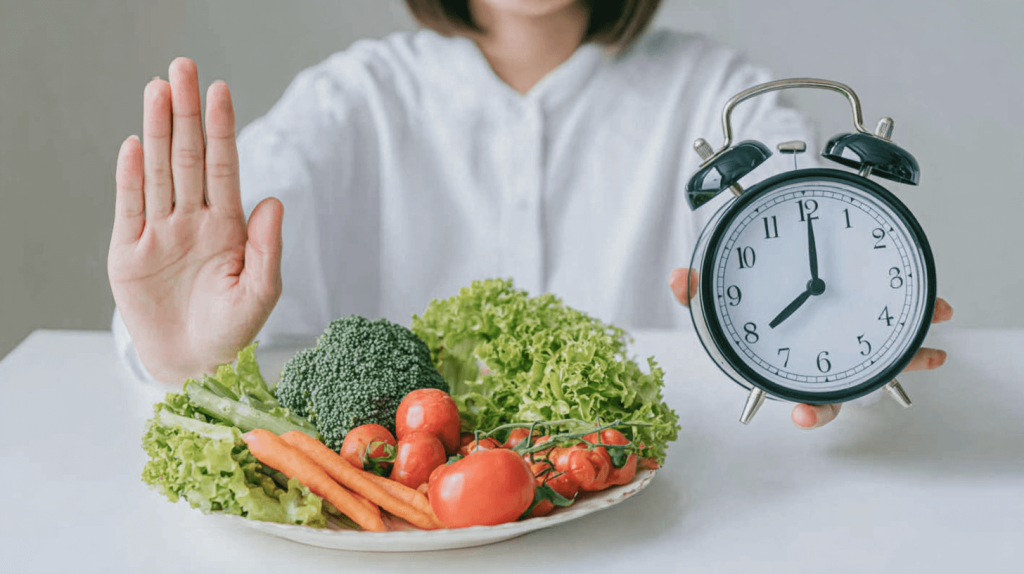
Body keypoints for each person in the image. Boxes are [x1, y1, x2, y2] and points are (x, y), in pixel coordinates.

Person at [107, 0, 952, 429]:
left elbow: (800, 194)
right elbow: (211, 292)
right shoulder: (350, 102)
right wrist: (180, 355)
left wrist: (834, 341)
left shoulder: (719, 95)